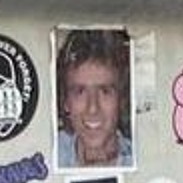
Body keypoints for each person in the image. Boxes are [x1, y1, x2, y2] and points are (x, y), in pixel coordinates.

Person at [55, 29, 134, 171]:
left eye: (105, 91)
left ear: (121, 99)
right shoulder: (48, 153)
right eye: (80, 92)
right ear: (66, 101)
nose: (92, 108)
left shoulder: (142, 159)